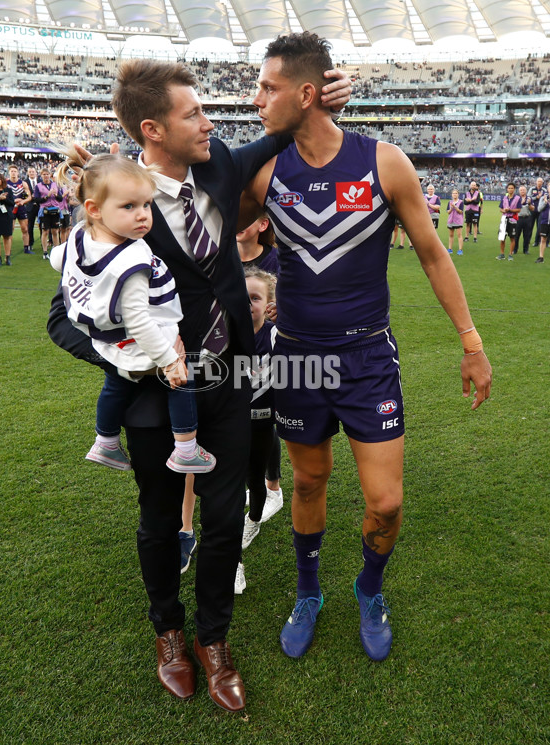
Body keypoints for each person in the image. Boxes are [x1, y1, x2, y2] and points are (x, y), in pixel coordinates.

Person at [46, 58, 352, 711]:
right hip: (158, 399)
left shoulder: (217, 169)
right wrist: (133, 361)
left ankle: (214, 639)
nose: (209, 121)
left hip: (230, 386)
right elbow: (61, 320)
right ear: (153, 129)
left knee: (221, 521)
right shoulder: (115, 207)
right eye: (193, 113)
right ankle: (169, 632)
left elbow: (279, 134)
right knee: (161, 523)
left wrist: (324, 95)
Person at [241, 32, 492, 663]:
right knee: (308, 481)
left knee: (386, 501)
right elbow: (212, 224)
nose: (256, 100)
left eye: (268, 88)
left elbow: (434, 254)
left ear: (306, 92)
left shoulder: (384, 161)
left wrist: (471, 340)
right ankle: (307, 591)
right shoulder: (264, 171)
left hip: (367, 357)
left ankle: (368, 589)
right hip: (297, 355)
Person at [51, 149, 216, 476]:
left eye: (146, 204)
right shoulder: (133, 258)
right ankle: (185, 450)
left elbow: (58, 259)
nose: (142, 215)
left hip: (107, 340)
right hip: (144, 341)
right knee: (181, 383)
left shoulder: (81, 237)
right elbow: (140, 321)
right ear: (94, 210)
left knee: (116, 384)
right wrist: (170, 360)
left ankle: (105, 440)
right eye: (129, 207)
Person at [235, 267, 279, 595]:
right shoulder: (225, 333)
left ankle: (254, 522)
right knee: (229, 491)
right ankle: (232, 562)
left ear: (268, 304)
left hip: (264, 425)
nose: (249, 303)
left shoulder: (278, 334)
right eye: (243, 296)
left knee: (256, 484)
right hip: (229, 427)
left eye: (256, 298)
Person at [34, 169, 62, 259]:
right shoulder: (38, 186)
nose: (46, 176)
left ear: (50, 175)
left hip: (55, 210)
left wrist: (56, 195)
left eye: (47, 174)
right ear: (41, 176)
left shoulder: (55, 184)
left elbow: (60, 199)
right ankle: (45, 252)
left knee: (55, 231)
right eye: (44, 174)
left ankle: (57, 250)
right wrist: (47, 196)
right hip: (45, 210)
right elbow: (36, 199)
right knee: (45, 231)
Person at [7, 165, 33, 254]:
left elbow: (29, 196)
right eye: (11, 171)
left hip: (21, 208)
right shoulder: (6, 183)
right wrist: (12, 201)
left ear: (18, 172)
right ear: (9, 172)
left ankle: (26, 248)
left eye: (15, 171)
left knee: (25, 228)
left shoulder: (23, 183)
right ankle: (8, 250)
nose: (13, 173)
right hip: (10, 208)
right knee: (10, 229)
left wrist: (23, 201)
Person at [497, 182, 521, 261]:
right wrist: (503, 210)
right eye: (509, 188)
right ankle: (502, 254)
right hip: (504, 219)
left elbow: (519, 209)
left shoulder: (517, 198)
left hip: (512, 219)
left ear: (514, 189)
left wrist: (510, 210)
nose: (510, 189)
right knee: (502, 238)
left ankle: (510, 254)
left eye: (512, 188)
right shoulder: (504, 198)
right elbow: (500, 209)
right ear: (507, 189)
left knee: (512, 237)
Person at [513, 185, 533, 255]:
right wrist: (521, 203)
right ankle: (515, 250)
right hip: (518, 218)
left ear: (526, 191)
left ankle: (526, 250)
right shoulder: (516, 198)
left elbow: (532, 209)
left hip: (527, 218)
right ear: (519, 191)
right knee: (516, 235)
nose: (522, 191)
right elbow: (513, 208)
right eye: (521, 190)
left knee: (526, 235)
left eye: (524, 190)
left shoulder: (529, 198)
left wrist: (530, 204)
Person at [528, 176, 546, 248]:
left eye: (541, 182)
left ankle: (536, 242)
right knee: (530, 227)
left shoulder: (544, 190)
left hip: (540, 211)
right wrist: (536, 197)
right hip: (532, 210)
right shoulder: (532, 189)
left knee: (539, 227)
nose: (539, 183)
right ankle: (527, 241)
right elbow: (528, 197)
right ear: (536, 182)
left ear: (542, 183)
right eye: (538, 181)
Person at [23, 166, 39, 252]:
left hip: (40, 206)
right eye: (30, 172)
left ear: (36, 172)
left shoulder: (40, 181)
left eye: (33, 171)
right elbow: (23, 194)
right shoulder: (24, 182)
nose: (32, 173)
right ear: (28, 173)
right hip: (30, 206)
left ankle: (45, 242)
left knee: (43, 226)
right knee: (30, 226)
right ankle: (30, 243)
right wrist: (29, 196)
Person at [535, 181, 549, 263]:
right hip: (545, 221)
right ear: (548, 188)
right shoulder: (543, 197)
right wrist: (545, 202)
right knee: (543, 239)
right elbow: (539, 209)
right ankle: (541, 257)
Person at [447, 189, 464, 255]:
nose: (454, 194)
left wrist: (455, 207)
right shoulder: (450, 202)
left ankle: (460, 250)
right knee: (451, 235)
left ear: (458, 194)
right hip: (451, 220)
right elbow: (448, 212)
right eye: (453, 193)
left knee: (459, 235)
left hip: (458, 220)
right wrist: (451, 208)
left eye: (456, 193)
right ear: (452, 194)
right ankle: (450, 249)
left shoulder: (461, 202)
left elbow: (460, 211)